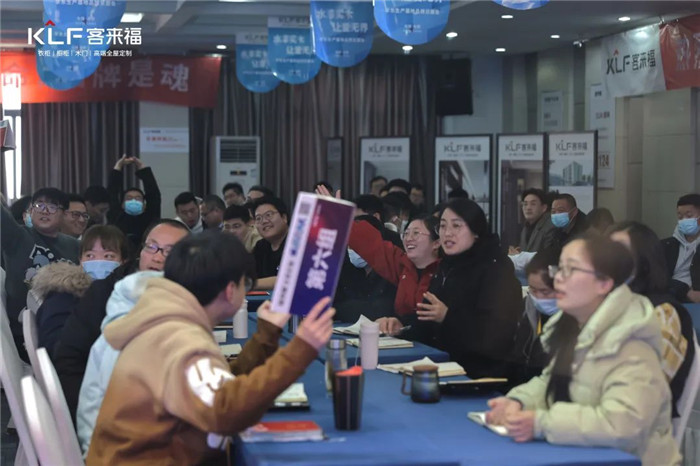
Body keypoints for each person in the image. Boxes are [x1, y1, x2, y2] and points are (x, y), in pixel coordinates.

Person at [85, 231, 335, 465]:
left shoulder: (164, 319)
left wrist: (266, 336)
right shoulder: (178, 338)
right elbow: (226, 411)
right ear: (230, 290)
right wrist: (300, 351)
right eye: (245, 284)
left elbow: (217, 386)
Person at [486, 236, 681, 466]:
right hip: (581, 453)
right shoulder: (575, 325)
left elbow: (622, 425)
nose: (558, 278)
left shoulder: (632, 340)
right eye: (559, 269)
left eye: (571, 270)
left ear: (604, 283)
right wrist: (518, 401)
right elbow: (550, 381)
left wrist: (541, 423)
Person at [53, 220, 189, 421]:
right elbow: (68, 360)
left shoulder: (186, 292)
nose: (157, 257)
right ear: (140, 251)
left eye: (170, 251)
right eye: (151, 247)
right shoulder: (105, 293)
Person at [409, 199, 522, 378]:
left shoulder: (496, 269)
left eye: (456, 226)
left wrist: (447, 317)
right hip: (443, 364)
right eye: (443, 226)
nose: (447, 233)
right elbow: (426, 316)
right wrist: (401, 328)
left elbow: (495, 337)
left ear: (475, 231)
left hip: (481, 374)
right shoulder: (447, 265)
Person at [608, 221, 696, 418]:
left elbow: (641, 395)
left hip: (634, 425)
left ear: (644, 262)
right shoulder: (609, 306)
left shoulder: (663, 314)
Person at [1, 188, 80, 358]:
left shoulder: (75, 246)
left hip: (65, 329)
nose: (44, 211)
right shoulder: (17, 237)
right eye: (39, 205)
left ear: (64, 214)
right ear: (31, 211)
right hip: (24, 332)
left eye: (52, 206)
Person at [36, 225, 128, 358]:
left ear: (123, 262)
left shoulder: (129, 296)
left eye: (108, 256)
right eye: (90, 255)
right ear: (80, 260)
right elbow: (55, 347)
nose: (98, 262)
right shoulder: (63, 293)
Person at [506, 248, 560, 389]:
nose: (538, 297)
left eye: (545, 291)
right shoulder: (527, 309)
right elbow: (516, 357)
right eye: (533, 289)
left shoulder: (577, 322)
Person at [107, 155, 162, 252]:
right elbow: (111, 193)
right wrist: (118, 166)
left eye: (138, 198)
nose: (133, 201)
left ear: (144, 204)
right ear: (122, 204)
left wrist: (142, 168)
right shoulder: (116, 217)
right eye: (129, 198)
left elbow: (154, 195)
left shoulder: (150, 218)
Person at [662, 193, 700, 303]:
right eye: (680, 217)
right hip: (669, 297)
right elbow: (656, 276)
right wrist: (684, 290)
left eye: (689, 216)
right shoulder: (666, 245)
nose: (684, 220)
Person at [251, 196, 289, 289]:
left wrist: (249, 284)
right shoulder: (260, 247)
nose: (264, 221)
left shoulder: (298, 242)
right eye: (258, 218)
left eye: (268, 215)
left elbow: (289, 280)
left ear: (284, 217)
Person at [513, 188, 555, 254]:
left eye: (533, 204)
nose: (528, 208)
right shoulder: (526, 227)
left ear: (544, 208)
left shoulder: (550, 226)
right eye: (525, 204)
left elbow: (547, 255)